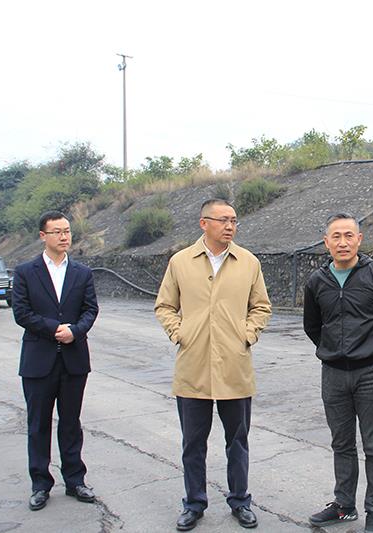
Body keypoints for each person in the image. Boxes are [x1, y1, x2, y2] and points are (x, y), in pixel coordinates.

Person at [155, 198, 272, 531]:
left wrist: (247, 335)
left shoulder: (248, 262)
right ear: (204, 223)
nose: (230, 226)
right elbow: (164, 306)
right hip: (193, 366)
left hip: (235, 366)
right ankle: (194, 503)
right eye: (223, 220)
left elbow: (261, 307)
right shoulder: (180, 262)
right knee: (193, 443)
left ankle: (240, 501)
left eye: (234, 220)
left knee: (238, 440)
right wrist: (180, 333)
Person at [303, 213, 373, 533]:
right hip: (333, 374)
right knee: (342, 443)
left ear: (359, 240)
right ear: (326, 242)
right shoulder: (317, 281)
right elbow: (312, 326)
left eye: (349, 235)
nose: (343, 242)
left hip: (371, 373)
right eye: (336, 236)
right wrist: (333, 349)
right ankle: (344, 505)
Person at [12, 210, 99, 511]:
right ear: (43, 236)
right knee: (38, 424)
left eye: (67, 231)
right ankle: (40, 484)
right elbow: (21, 313)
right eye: (57, 232)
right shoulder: (26, 272)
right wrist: (54, 329)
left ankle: (75, 480)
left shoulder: (82, 273)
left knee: (71, 423)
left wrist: (75, 331)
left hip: (74, 359)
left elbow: (90, 310)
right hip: (39, 360)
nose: (64, 237)